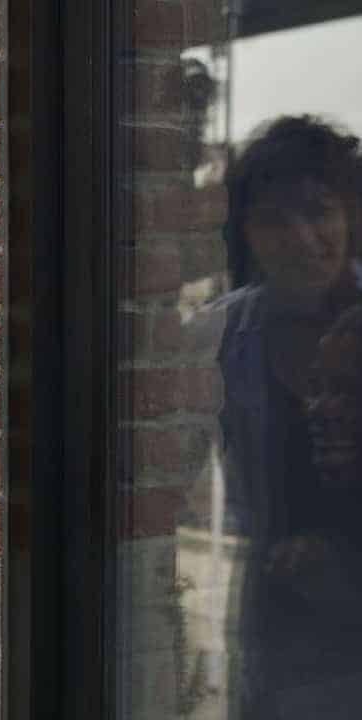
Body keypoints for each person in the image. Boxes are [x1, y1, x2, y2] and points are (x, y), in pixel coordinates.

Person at [213, 115, 362, 716]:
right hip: (275, 628)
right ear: (245, 234)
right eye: (274, 219)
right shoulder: (216, 335)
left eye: (319, 211)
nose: (302, 237)